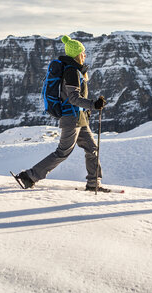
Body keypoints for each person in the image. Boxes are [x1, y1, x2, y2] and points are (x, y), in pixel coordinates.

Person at [16, 35, 108, 192]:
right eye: (83, 52)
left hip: (80, 119)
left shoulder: (77, 71)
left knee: (93, 148)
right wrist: (93, 104)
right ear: (77, 54)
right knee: (63, 152)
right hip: (71, 118)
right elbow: (73, 98)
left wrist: (89, 109)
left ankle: (94, 184)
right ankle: (29, 176)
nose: (85, 55)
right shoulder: (71, 71)